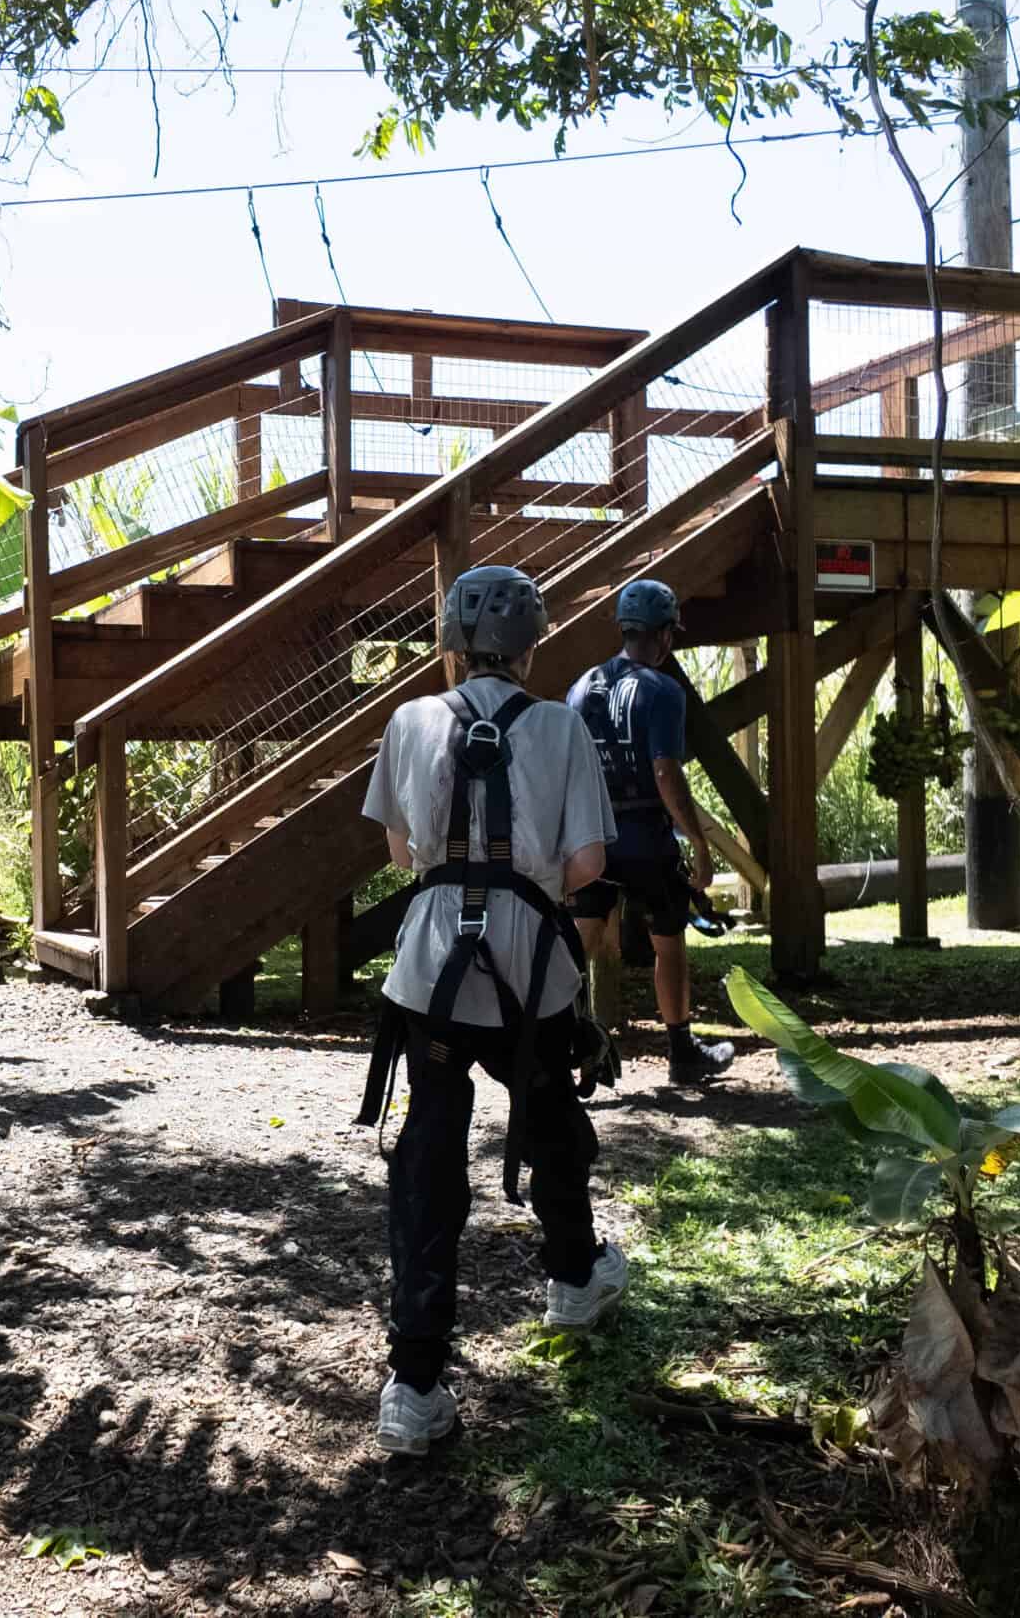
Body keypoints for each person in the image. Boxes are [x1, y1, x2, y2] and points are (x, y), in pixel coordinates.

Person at [357, 564, 631, 1458]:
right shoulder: (561, 725)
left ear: (447, 644)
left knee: (428, 1155)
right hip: (533, 969)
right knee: (550, 1116)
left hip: (433, 964)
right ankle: (572, 1274)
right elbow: (588, 865)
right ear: (532, 647)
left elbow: (402, 852)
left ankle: (415, 1379)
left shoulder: (408, 722)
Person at [566, 578, 735, 1086]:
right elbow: (666, 772)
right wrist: (699, 844)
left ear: (623, 629)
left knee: (580, 943)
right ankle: (682, 1053)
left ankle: (576, 1047)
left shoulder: (582, 686)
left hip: (592, 834)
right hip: (644, 835)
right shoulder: (663, 690)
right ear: (664, 636)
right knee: (669, 940)